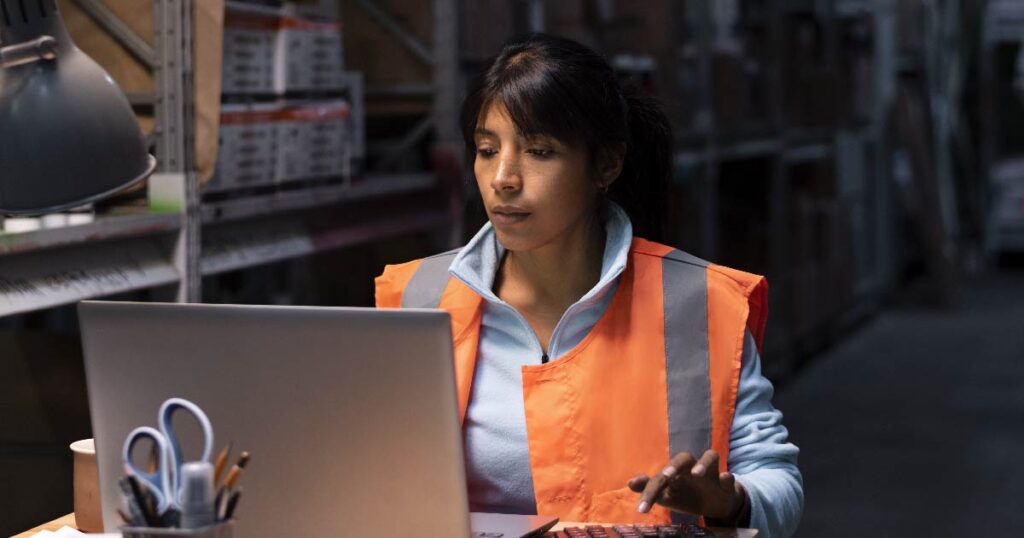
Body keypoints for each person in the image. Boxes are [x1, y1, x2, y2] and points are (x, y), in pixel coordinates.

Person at [375, 34, 803, 538]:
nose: (503, 177)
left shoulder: (699, 303)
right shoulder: (417, 298)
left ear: (605, 165)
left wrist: (728, 501)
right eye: (487, 150)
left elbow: (777, 481)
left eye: (538, 151)